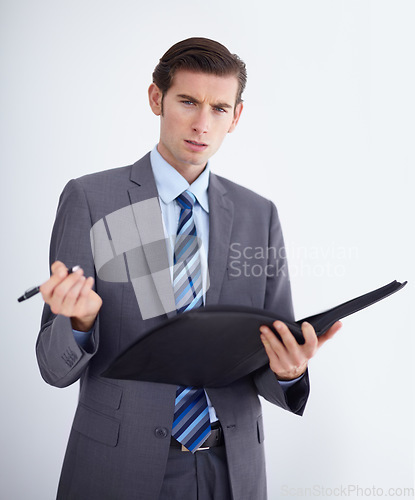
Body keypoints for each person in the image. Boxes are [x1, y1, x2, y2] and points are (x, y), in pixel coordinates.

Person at [36, 37, 341, 500]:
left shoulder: (259, 214)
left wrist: (289, 371)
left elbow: (267, 349)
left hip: (231, 468)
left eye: (219, 108)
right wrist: (78, 322)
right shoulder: (93, 199)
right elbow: (52, 367)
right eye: (188, 102)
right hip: (119, 465)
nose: (202, 124)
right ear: (156, 99)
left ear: (236, 117)